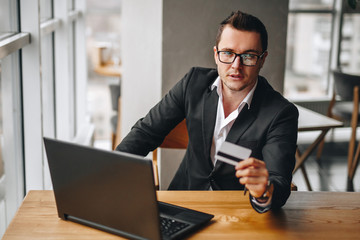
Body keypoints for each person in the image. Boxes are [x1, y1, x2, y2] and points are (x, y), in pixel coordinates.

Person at [116, 10, 298, 213]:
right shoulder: (193, 83)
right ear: (216, 54)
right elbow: (147, 132)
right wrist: (110, 167)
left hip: (240, 212)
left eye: (248, 56)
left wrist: (265, 190)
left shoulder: (281, 113)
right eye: (228, 53)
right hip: (184, 201)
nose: (236, 66)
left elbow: (279, 181)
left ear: (262, 59)